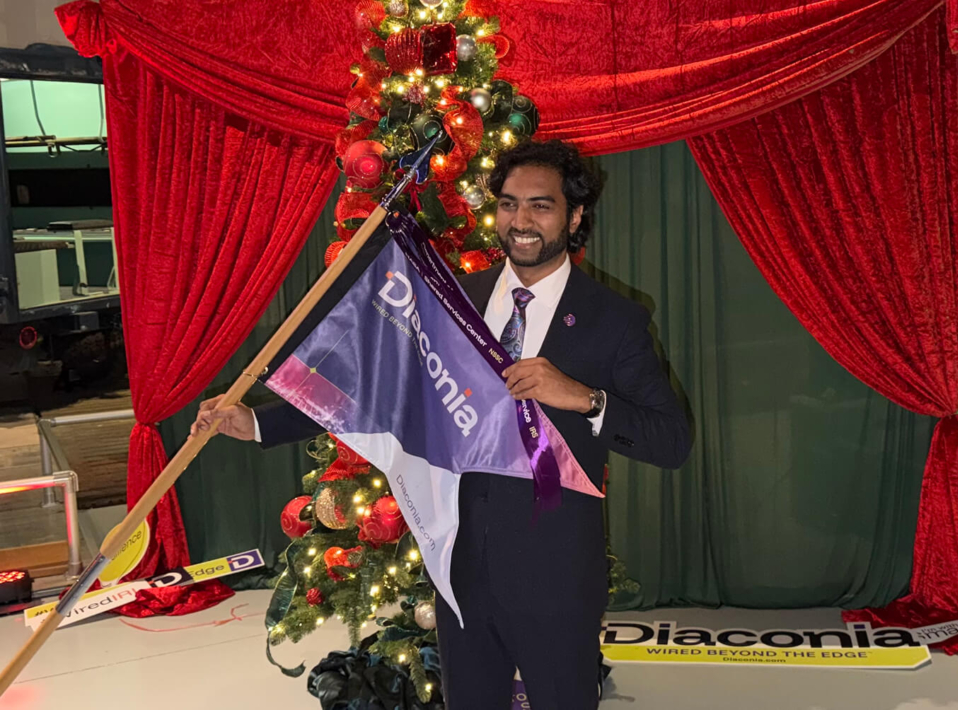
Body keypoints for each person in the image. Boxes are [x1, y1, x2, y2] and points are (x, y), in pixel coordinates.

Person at [192, 139, 693, 710]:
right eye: (508, 204)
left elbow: (671, 440)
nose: (521, 221)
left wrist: (584, 398)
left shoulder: (615, 320)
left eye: (541, 205)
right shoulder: (454, 300)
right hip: (458, 569)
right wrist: (257, 423)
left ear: (575, 216)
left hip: (554, 575)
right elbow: (377, 386)